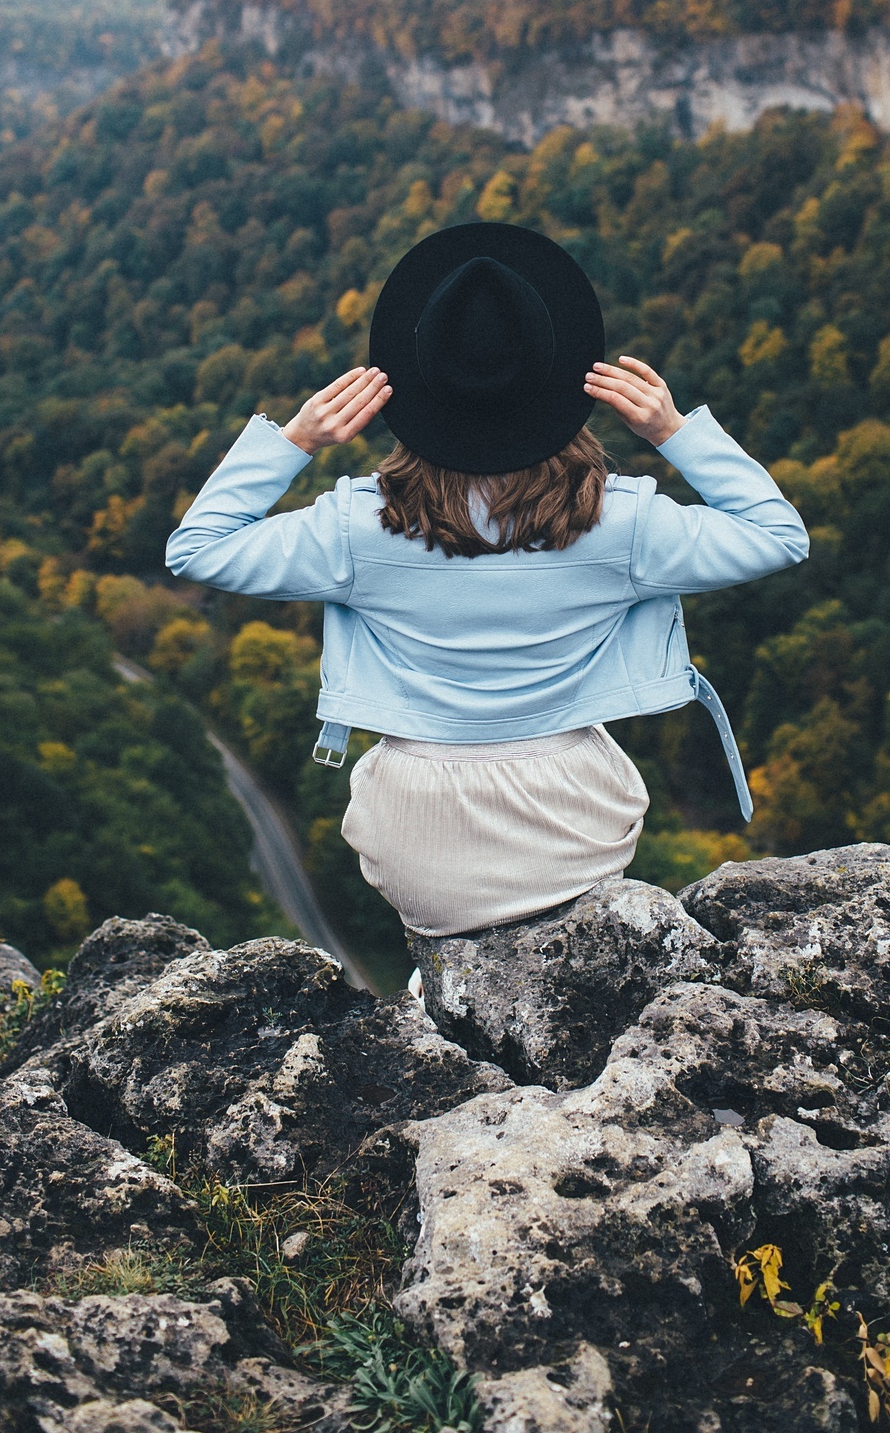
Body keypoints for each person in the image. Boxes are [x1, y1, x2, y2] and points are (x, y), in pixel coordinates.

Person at [166, 223, 807, 946]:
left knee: (439, 945)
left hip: (416, 835)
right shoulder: (622, 526)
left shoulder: (355, 528)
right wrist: (674, 431)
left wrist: (296, 441)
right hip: (576, 820)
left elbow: (196, 550)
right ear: (562, 383)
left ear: (413, 389)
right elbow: (778, 536)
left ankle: (440, 982)